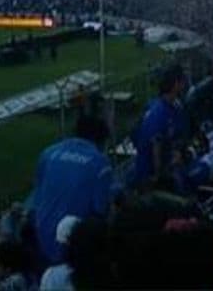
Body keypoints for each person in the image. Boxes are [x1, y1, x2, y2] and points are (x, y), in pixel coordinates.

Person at [31, 116, 112, 264]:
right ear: (100, 141)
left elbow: (36, 196)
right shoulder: (100, 164)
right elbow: (100, 212)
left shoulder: (48, 153)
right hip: (71, 248)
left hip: (40, 239)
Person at [128, 64, 187, 188]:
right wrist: (159, 177)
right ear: (176, 84)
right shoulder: (159, 112)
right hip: (151, 176)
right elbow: (156, 148)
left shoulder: (173, 107)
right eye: (182, 80)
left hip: (165, 163)